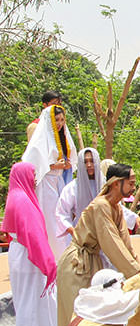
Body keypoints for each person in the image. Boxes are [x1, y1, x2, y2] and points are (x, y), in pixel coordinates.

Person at [56, 163, 140, 326]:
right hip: (76, 266)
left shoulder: (116, 208)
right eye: (131, 183)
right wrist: (138, 274)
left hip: (91, 263)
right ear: (116, 183)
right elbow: (111, 244)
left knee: (93, 318)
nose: (134, 187)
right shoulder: (101, 206)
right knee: (76, 319)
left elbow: (125, 245)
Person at [0, 162, 58, 326]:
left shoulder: (14, 196)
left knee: (25, 298)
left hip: (19, 252)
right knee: (31, 299)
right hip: (26, 255)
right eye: (32, 175)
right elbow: (34, 236)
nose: (34, 179)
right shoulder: (23, 200)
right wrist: (48, 262)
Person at [22, 104, 77, 259]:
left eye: (62, 120)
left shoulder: (62, 137)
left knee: (62, 216)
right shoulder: (41, 141)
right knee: (51, 220)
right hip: (46, 185)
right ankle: (54, 257)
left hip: (59, 182)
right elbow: (31, 162)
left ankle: (64, 255)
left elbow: (71, 158)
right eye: (56, 120)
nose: (59, 123)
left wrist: (66, 165)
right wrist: (53, 166)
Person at [55, 148, 105, 251]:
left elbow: (117, 207)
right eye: (85, 162)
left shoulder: (105, 185)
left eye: (92, 161)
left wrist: (134, 218)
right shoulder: (72, 188)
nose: (89, 165)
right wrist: (72, 231)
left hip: (104, 237)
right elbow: (61, 213)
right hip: (81, 239)